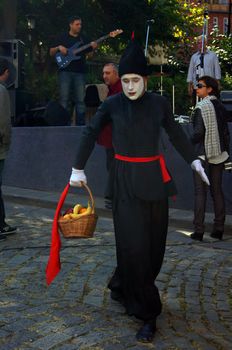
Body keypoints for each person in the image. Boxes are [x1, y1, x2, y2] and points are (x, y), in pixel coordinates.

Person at [69, 41, 209, 343]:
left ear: (145, 80)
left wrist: (194, 160)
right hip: (124, 183)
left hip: (155, 182)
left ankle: (121, 285)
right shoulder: (112, 103)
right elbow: (90, 132)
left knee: (154, 247)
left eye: (137, 80)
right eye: (127, 80)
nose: (131, 87)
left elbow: (174, 133)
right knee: (134, 246)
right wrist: (77, 168)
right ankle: (148, 313)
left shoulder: (159, 104)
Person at [190, 76, 230, 241]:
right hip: (219, 153)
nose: (196, 88)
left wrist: (187, 142)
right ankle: (218, 229)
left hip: (201, 154)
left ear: (210, 89)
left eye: (200, 86)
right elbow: (226, 133)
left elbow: (198, 133)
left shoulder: (201, 107)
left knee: (200, 192)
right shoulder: (220, 106)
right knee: (217, 191)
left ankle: (199, 231)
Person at [49, 16, 98, 126]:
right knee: (64, 100)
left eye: (80, 24)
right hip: (64, 72)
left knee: (81, 101)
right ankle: (63, 125)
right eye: (77, 24)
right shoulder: (62, 37)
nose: (79, 26)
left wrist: (93, 48)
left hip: (80, 72)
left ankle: (80, 127)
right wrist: (58, 48)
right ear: (70, 25)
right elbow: (51, 53)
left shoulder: (84, 39)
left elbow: (90, 56)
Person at [97, 63, 122, 209]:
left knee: (114, 168)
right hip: (109, 138)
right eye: (103, 73)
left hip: (116, 138)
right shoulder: (111, 90)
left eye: (107, 73)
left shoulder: (119, 89)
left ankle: (112, 197)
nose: (104, 76)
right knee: (111, 167)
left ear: (115, 74)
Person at [0, 58, 17, 240]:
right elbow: (4, 121)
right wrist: (6, 142)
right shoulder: (2, 90)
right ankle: (0, 225)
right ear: (4, 72)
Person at [187, 35, 221, 105]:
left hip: (209, 86)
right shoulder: (194, 57)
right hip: (197, 86)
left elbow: (217, 70)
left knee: (211, 105)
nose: (200, 45)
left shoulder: (213, 55)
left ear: (206, 43)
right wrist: (189, 86)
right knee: (197, 105)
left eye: (201, 43)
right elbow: (190, 72)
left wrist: (218, 83)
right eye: (198, 43)